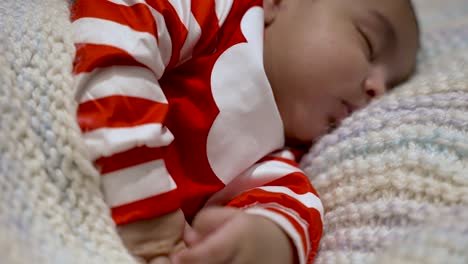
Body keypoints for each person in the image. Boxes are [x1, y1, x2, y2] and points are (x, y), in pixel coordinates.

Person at [70, 0, 419, 263]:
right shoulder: (215, 15)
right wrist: (149, 220)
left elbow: (294, 212)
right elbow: (111, 33)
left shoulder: (277, 155)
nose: (379, 90)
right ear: (277, 3)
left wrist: (259, 242)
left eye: (392, 82)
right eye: (369, 43)